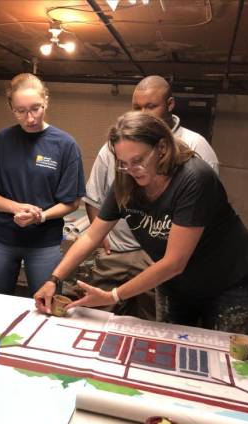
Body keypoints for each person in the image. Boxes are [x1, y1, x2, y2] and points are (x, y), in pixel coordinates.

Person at [35, 111, 248, 334]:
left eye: (138, 160)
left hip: (226, 280)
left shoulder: (194, 178)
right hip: (175, 282)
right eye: (123, 163)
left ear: (162, 148)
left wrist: (113, 295)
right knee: (172, 345)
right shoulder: (127, 180)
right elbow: (93, 235)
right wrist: (54, 279)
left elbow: (174, 262)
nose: (131, 170)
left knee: (225, 352)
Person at [83, 75, 219, 320]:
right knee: (97, 318)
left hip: (162, 258)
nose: (144, 113)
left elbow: (202, 215)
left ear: (169, 104)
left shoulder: (196, 151)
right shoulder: (117, 147)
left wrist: (116, 294)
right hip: (117, 250)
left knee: (153, 323)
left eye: (151, 106)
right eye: (137, 107)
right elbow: (95, 197)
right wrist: (100, 237)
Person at [0, 73, 86, 296]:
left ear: (46, 101)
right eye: (21, 111)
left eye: (36, 108)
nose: (30, 118)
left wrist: (40, 216)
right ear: (11, 108)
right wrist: (15, 207)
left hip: (44, 243)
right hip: (2, 239)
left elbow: (72, 202)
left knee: (46, 303)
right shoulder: (1, 141)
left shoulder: (65, 145)